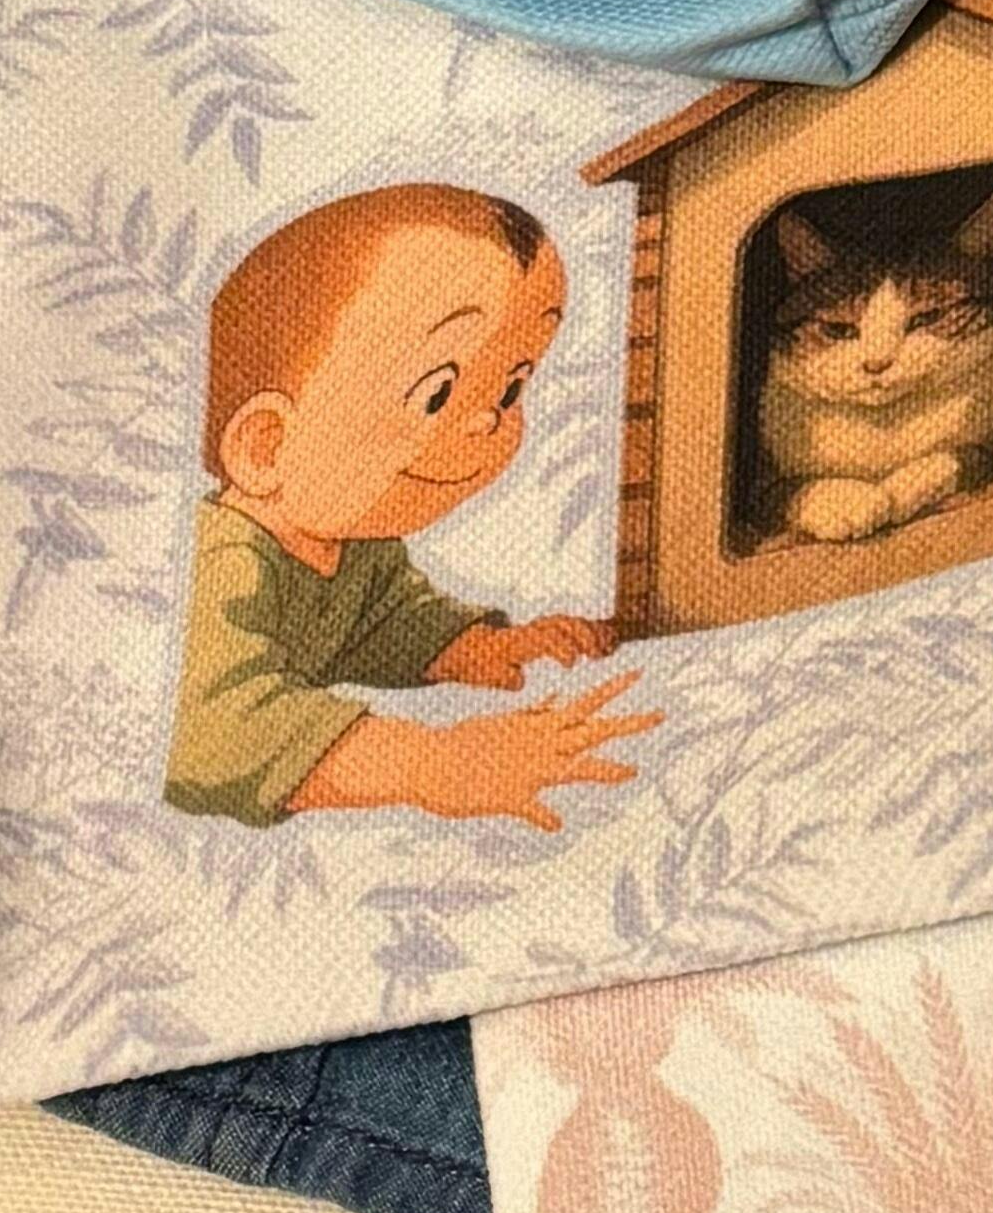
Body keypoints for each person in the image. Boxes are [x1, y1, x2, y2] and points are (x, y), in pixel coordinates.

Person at [166, 179, 654, 829]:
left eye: (510, 389)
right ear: (266, 447)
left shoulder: (361, 552)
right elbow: (210, 731)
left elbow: (391, 623)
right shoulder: (223, 561)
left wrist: (481, 647)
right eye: (437, 394)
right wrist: (429, 764)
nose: (488, 420)